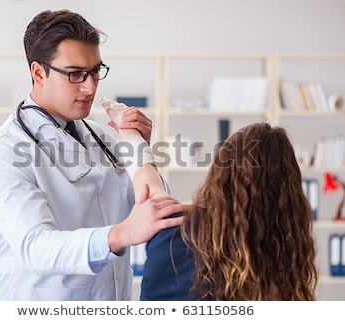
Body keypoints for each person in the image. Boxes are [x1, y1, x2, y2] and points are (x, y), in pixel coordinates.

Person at [0, 10, 186, 301]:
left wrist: (140, 151)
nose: (90, 86)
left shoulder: (108, 137)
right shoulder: (3, 152)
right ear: (38, 72)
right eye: (75, 74)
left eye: (96, 71)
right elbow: (36, 247)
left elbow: (154, 210)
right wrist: (120, 235)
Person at [101, 98, 319, 301]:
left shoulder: (171, 224)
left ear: (221, 173)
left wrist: (128, 129)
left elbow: (144, 174)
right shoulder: (283, 255)